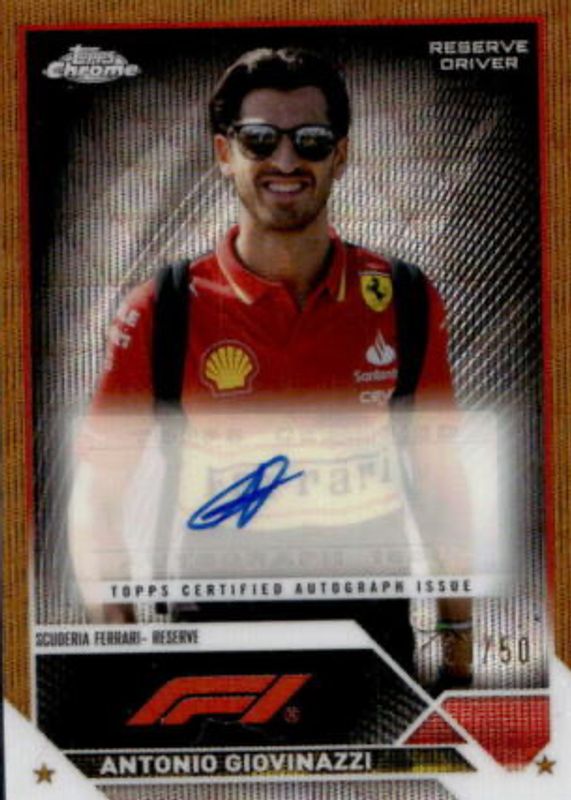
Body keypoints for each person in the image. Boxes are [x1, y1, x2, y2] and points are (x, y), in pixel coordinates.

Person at [69, 47, 472, 689]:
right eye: (260, 140)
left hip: (371, 645)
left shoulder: (404, 298)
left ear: (341, 154)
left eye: (310, 141)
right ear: (224, 153)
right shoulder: (163, 307)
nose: (286, 161)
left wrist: (457, 657)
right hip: (211, 646)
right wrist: (120, 648)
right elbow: (97, 496)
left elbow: (442, 486)